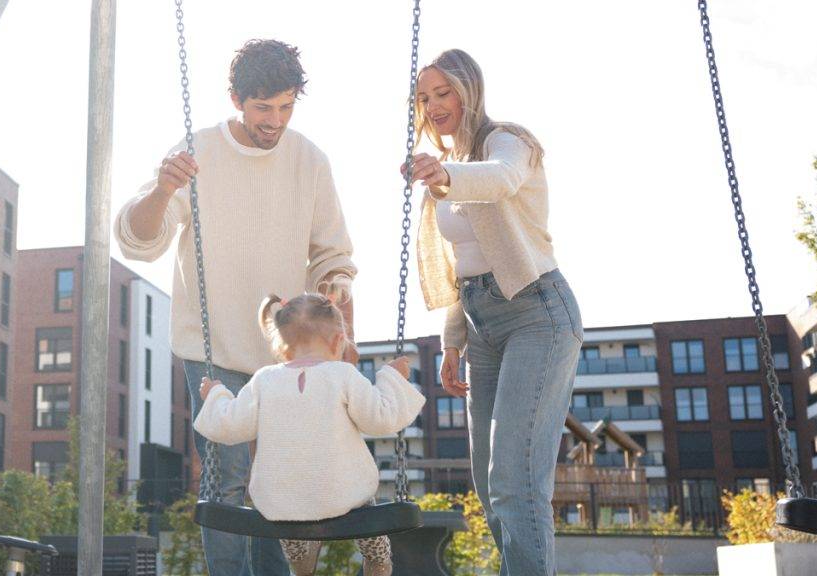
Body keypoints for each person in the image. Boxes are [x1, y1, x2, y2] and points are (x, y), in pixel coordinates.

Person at [114, 39, 357, 576]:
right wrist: (162, 190)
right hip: (212, 346)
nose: (276, 121)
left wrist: (335, 284)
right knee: (224, 478)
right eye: (263, 107)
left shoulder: (310, 160)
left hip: (288, 351)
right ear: (236, 100)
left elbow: (332, 253)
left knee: (278, 482)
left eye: (286, 106)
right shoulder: (198, 150)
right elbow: (140, 240)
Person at [407, 48, 584, 576]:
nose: (434, 105)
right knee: (490, 485)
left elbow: (501, 178)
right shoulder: (449, 167)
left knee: (515, 478)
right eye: (424, 98)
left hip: (537, 314)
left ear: (470, 90)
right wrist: (453, 342)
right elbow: (462, 263)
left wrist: (445, 173)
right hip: (480, 325)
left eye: (444, 93)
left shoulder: (508, 141)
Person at [194, 293, 425, 576]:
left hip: (282, 504)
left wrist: (215, 394)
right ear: (338, 341)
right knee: (368, 513)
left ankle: (300, 562)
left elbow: (230, 425)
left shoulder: (264, 380)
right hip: (345, 496)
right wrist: (392, 377)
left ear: (281, 346)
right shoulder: (343, 375)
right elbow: (381, 418)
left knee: (286, 520)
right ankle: (378, 560)